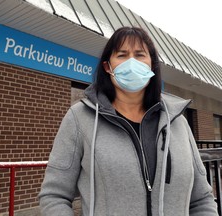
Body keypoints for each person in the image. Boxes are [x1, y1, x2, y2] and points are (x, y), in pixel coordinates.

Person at [38, 26, 218, 216]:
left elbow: (201, 199)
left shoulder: (178, 122)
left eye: (140, 55)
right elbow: (54, 195)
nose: (131, 62)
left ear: (152, 65)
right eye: (122, 55)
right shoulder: (80, 117)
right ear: (108, 66)